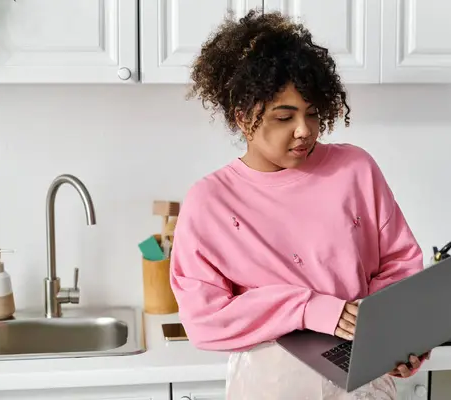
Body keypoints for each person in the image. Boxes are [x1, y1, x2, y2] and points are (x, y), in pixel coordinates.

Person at [169, 9, 429, 400]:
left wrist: (397, 336)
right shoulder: (210, 201)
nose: (304, 130)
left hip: (364, 381)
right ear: (244, 118)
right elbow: (205, 319)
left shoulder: (355, 168)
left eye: (312, 113)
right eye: (284, 116)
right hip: (272, 385)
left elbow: (400, 265)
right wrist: (310, 307)